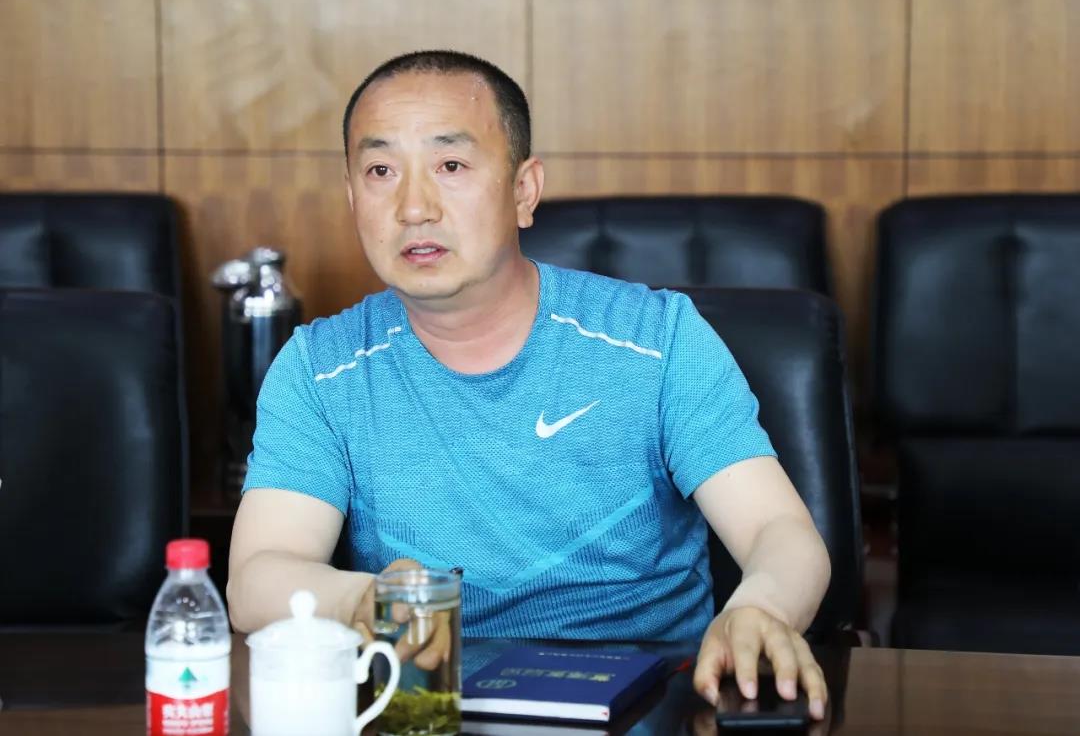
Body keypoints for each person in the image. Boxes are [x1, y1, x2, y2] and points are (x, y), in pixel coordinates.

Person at [227, 50, 832, 720]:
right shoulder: (320, 368)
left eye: (450, 166)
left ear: (523, 190)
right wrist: (364, 601)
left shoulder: (655, 338)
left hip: (652, 702)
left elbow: (780, 529)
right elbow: (257, 576)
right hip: (432, 705)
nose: (413, 207)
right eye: (380, 171)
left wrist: (761, 608)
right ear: (351, 197)